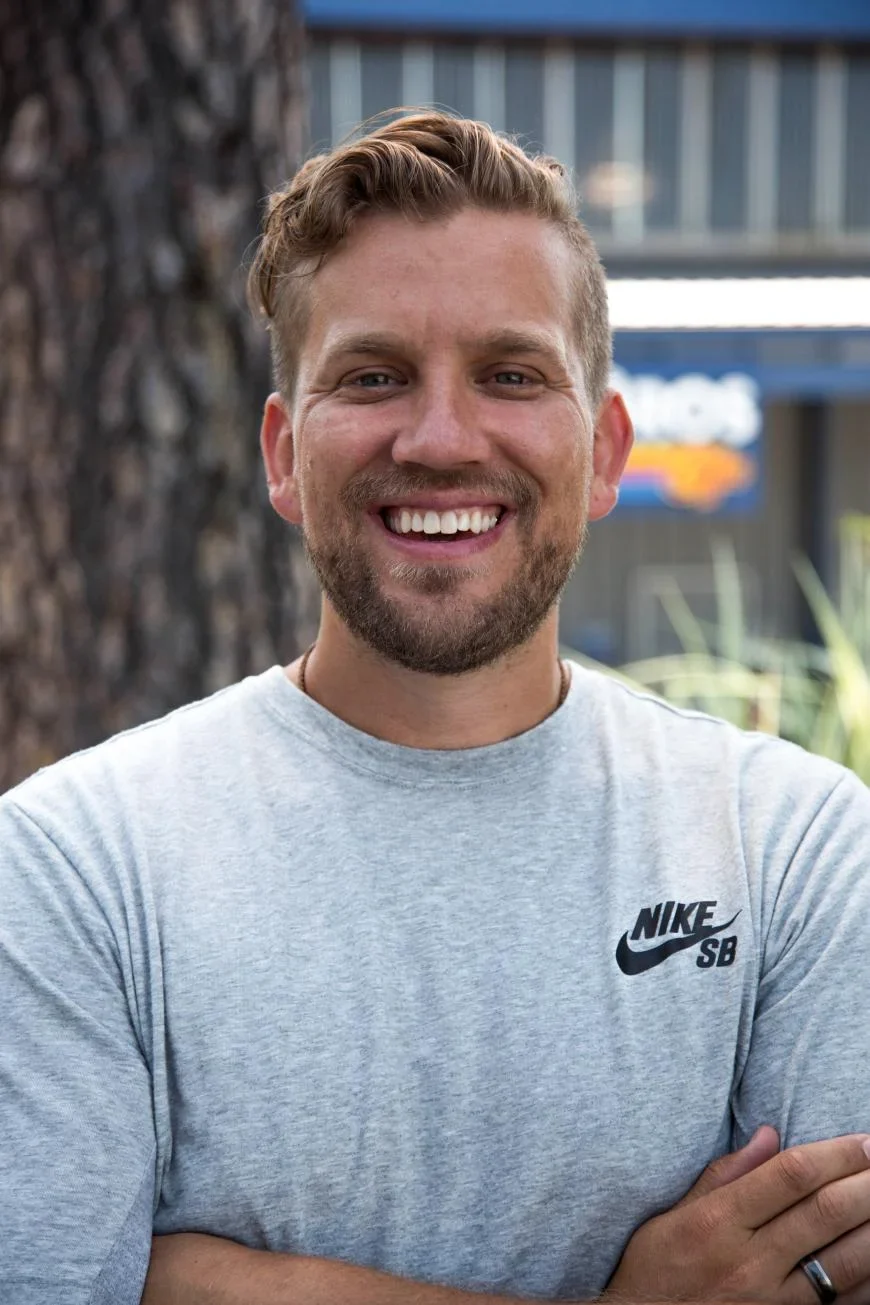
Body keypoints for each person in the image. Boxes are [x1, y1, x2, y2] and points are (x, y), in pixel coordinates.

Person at [1, 111, 870, 1305]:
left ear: (606, 450)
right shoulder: (77, 863)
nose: (442, 438)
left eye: (511, 375)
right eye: (373, 378)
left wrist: (199, 1278)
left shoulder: (793, 849)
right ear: (282, 453)